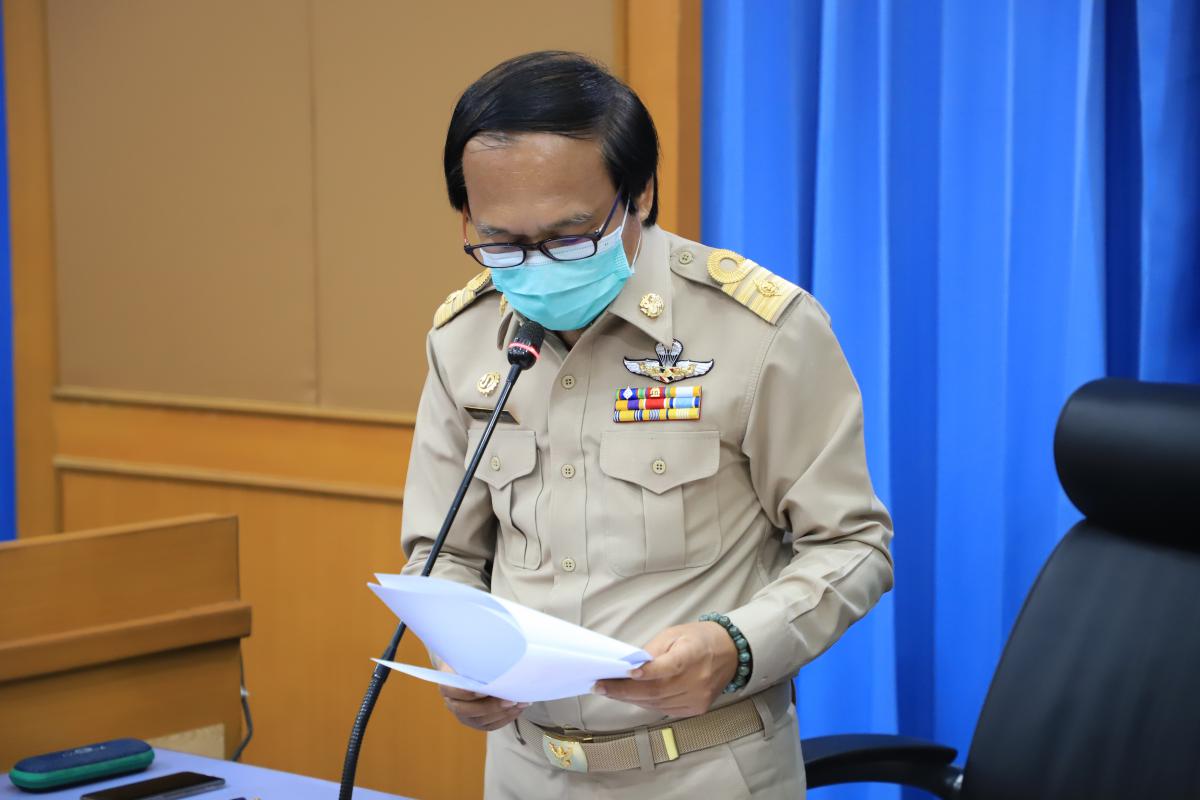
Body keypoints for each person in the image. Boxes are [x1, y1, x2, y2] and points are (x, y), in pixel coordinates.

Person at [399, 50, 894, 799]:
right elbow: (442, 555)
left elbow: (853, 544)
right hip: (524, 772)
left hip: (705, 770)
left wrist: (735, 646)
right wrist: (460, 653)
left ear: (640, 195)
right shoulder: (465, 340)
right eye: (502, 243)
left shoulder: (760, 332)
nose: (537, 267)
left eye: (570, 237)